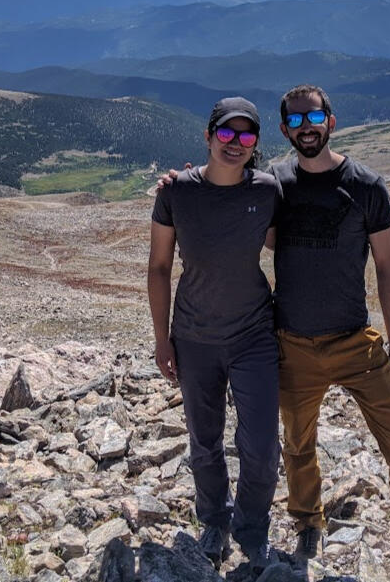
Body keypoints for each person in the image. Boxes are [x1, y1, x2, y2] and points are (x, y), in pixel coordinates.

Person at [270, 84, 390, 582]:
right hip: (293, 343)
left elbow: (386, 270)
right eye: (296, 122)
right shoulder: (274, 184)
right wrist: (179, 185)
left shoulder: (367, 186)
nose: (306, 128)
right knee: (298, 445)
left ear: (331, 121)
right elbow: (231, 213)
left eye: (313, 118)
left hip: (356, 343)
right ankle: (307, 521)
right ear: (285, 130)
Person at [146, 96, 282, 573]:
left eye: (247, 136)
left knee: (262, 445)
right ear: (207, 137)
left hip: (253, 334)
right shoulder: (176, 192)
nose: (236, 143)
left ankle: (251, 527)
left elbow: (291, 243)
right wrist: (163, 339)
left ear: (255, 145)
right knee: (204, 442)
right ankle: (214, 521)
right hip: (194, 336)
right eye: (227, 133)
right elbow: (160, 268)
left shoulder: (267, 191)